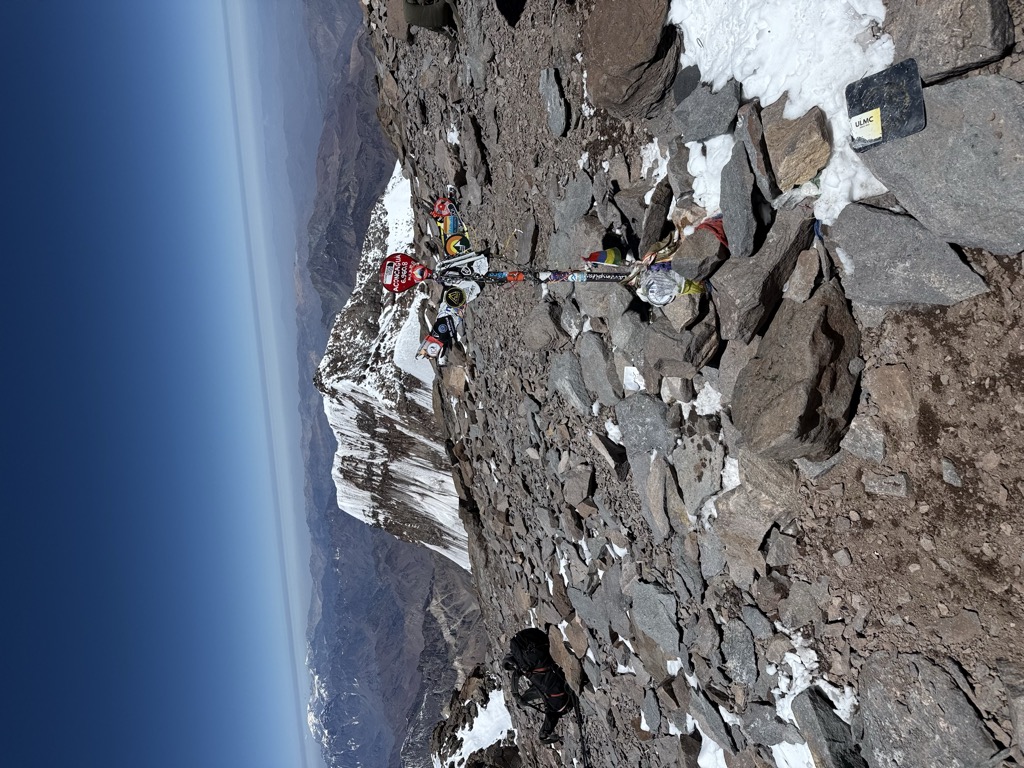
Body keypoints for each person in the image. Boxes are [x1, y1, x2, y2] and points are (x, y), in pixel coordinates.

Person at [502, 628, 573, 744]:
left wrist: (543, 736)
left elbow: (550, 713)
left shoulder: (557, 705)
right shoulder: (553, 699)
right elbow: (537, 690)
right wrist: (519, 697)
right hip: (532, 646)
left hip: (537, 648)